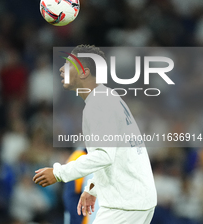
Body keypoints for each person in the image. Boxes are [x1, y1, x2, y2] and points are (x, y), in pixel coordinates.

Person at [33, 45, 157, 224]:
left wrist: (59, 173)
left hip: (124, 205)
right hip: (135, 200)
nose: (61, 69)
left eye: (68, 65)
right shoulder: (107, 98)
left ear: (84, 73)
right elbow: (116, 153)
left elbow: (104, 155)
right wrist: (92, 188)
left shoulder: (98, 104)